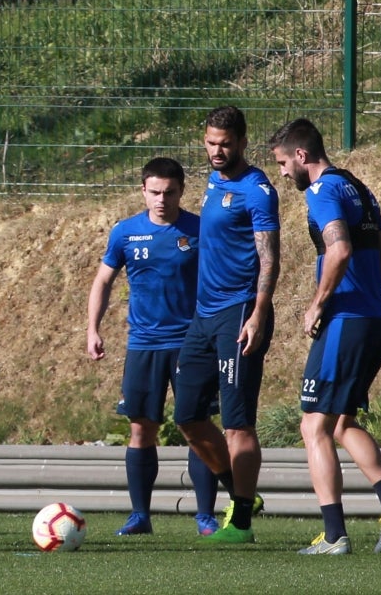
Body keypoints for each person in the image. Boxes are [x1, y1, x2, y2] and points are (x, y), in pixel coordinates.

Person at [268, 118, 381, 555]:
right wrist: (363, 290)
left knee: (313, 424)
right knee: (340, 424)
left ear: (301, 155)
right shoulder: (358, 186)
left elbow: (339, 248)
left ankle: (334, 535)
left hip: (346, 323)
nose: (281, 173)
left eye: (281, 163)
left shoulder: (322, 191)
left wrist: (319, 305)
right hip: (377, 320)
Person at [86, 157, 220, 537]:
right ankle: (140, 515)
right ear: (143, 191)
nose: (162, 199)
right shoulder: (126, 233)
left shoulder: (200, 229)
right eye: (155, 192)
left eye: (170, 192)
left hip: (192, 344)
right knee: (141, 428)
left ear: (181, 191)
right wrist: (92, 328)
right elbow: (103, 281)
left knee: (197, 427)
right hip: (143, 344)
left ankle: (205, 516)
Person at [174, 105, 279, 544]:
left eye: (225, 144)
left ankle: (241, 524)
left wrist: (259, 312)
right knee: (187, 416)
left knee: (237, 423)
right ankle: (239, 492)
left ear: (242, 142)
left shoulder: (258, 191)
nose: (216, 151)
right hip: (203, 315)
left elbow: (270, 257)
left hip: (239, 313)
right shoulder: (213, 181)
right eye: (210, 143)